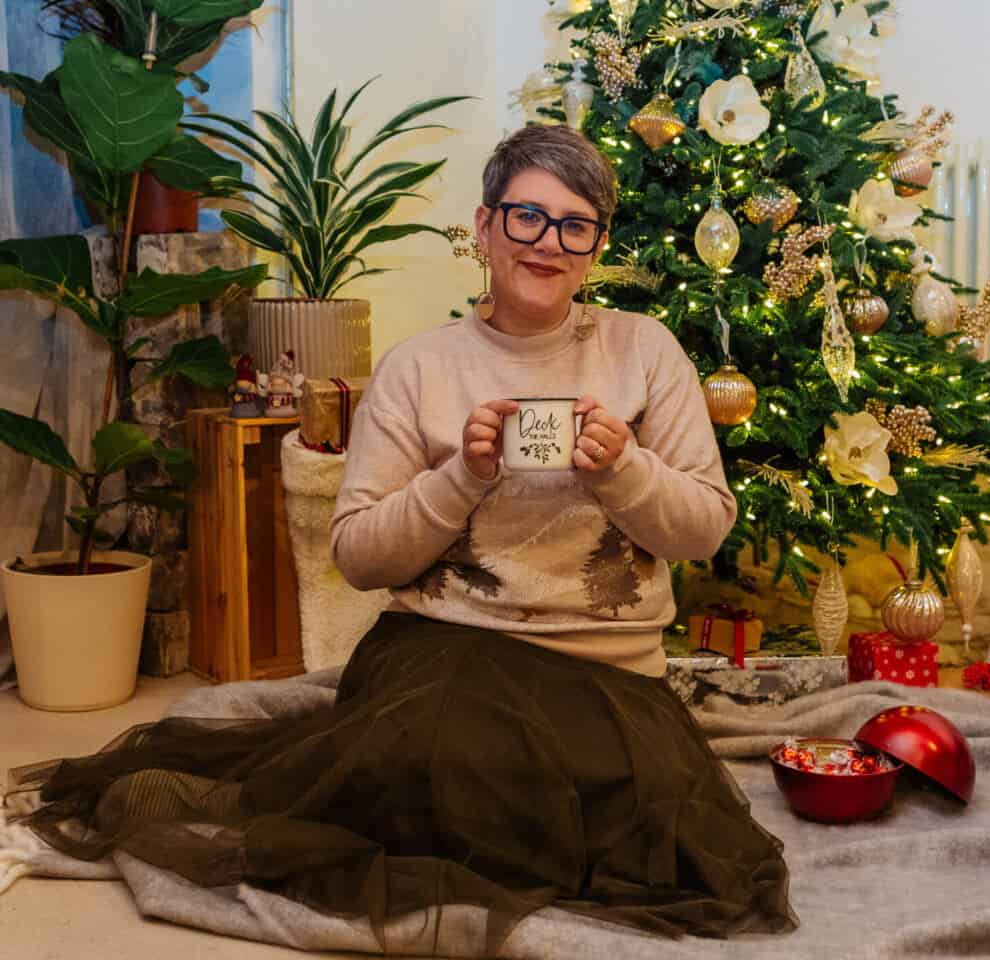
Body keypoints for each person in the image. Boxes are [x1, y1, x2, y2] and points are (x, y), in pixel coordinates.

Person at [5, 126, 795, 956]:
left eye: (576, 224)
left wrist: (624, 470)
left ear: (596, 245)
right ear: (486, 229)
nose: (549, 243)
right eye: (527, 217)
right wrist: (462, 475)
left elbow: (705, 526)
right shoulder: (421, 367)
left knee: (622, 815)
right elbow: (358, 556)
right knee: (446, 761)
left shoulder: (645, 350)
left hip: (606, 669)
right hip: (447, 651)